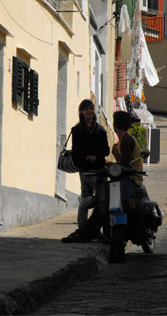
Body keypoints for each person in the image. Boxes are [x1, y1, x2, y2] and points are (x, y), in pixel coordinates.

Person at [61, 110, 144, 243]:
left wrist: (113, 159)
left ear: (116, 125)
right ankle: (94, 233)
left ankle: (84, 234)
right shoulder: (122, 141)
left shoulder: (127, 141)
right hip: (122, 181)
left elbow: (125, 166)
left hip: (130, 181)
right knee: (102, 205)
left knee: (102, 205)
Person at [71, 99, 110, 230]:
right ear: (81, 112)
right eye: (86, 109)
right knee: (85, 201)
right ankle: (82, 228)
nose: (89, 111)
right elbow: (75, 151)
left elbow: (106, 150)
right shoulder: (77, 130)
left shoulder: (101, 130)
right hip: (85, 171)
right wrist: (85, 157)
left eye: (91, 108)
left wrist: (96, 156)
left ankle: (100, 229)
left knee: (103, 201)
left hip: (100, 170)